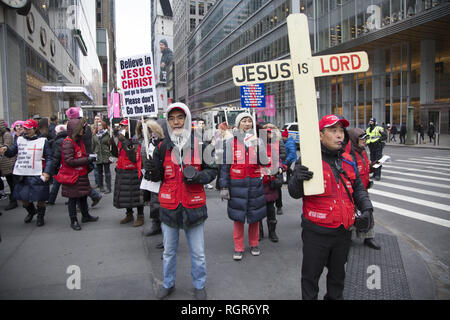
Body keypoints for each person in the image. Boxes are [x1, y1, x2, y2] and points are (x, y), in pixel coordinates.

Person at [288, 114, 373, 300]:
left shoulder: (348, 159)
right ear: (320, 135)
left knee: (337, 278)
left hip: (343, 232)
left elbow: (358, 188)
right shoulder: (309, 160)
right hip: (316, 233)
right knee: (310, 278)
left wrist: (367, 208)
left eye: (341, 131)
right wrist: (296, 178)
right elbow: (294, 192)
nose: (339, 135)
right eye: (333, 131)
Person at [145, 103, 217, 300]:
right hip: (169, 207)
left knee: (198, 253)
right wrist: (151, 169)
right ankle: (168, 283)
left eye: (180, 117)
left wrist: (198, 177)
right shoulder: (161, 146)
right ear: (167, 121)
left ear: (186, 119)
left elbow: (213, 171)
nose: (176, 122)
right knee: (168, 252)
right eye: (172, 118)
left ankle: (199, 285)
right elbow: (156, 178)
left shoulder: (200, 144)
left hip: (194, 206)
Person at [219, 112, 267, 261]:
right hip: (236, 185)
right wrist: (224, 186)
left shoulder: (258, 140)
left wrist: (260, 147)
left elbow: (265, 161)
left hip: (254, 184)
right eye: (244, 121)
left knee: (254, 217)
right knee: (238, 218)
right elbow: (225, 166)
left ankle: (254, 244)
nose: (247, 124)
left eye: (249, 121)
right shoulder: (230, 143)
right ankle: (238, 247)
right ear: (238, 124)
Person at [0, 119, 53, 227]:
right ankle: (31, 211)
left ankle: (40, 216)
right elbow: (11, 153)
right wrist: (5, 149)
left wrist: (47, 172)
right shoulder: (19, 140)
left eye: (29, 129)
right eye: (25, 128)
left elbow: (49, 158)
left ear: (35, 129)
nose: (26, 131)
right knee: (23, 198)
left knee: (40, 198)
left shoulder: (43, 141)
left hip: (38, 173)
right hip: (22, 174)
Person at [58, 117, 99, 230]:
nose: (83, 130)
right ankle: (73, 220)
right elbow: (69, 161)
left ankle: (85, 216)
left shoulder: (78, 140)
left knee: (83, 196)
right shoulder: (68, 143)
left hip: (80, 174)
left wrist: (88, 158)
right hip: (72, 175)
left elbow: (79, 156)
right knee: (73, 199)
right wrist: (87, 160)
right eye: (81, 128)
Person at [347, 128, 381, 250]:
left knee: (368, 212)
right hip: (352, 191)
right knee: (351, 214)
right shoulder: (349, 154)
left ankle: (369, 237)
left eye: (365, 138)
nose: (365, 140)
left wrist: (373, 166)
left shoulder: (362, 152)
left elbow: (365, 168)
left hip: (363, 189)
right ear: (354, 140)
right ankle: (348, 238)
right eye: (362, 138)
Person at [110, 119, 145, 227]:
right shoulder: (121, 139)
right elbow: (116, 154)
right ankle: (129, 214)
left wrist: (124, 141)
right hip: (122, 170)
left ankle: (140, 216)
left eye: (125, 127)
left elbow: (134, 156)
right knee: (125, 195)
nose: (123, 129)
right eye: (122, 126)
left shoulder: (136, 139)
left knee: (137, 196)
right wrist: (112, 142)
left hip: (134, 170)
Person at [66, 107, 102, 207]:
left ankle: (81, 203)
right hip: (84, 156)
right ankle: (92, 197)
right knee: (81, 181)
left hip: (81, 156)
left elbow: (78, 141)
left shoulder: (80, 127)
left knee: (79, 181)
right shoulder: (83, 125)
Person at [138, 119, 165, 239]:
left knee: (161, 204)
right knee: (154, 202)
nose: (151, 133)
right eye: (149, 130)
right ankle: (156, 225)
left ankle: (165, 231)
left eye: (152, 130)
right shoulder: (147, 142)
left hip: (162, 176)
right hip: (150, 176)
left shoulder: (163, 143)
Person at [261, 125, 283, 243]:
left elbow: (278, 160)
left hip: (270, 183)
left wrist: (279, 167)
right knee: (258, 210)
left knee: (271, 210)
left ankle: (272, 232)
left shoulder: (272, 147)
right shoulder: (255, 148)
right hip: (259, 183)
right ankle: (259, 231)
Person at [47, 124, 68, 205]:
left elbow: (57, 156)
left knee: (57, 183)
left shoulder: (58, 141)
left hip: (60, 166)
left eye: (56, 132)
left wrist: (54, 167)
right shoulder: (67, 139)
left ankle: (51, 199)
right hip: (66, 165)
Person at [0, 120, 18, 210]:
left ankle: (13, 201)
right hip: (3, 162)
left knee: (11, 183)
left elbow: (7, 147)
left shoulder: (6, 134)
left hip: (7, 162)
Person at [92, 120, 112, 194]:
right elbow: (93, 146)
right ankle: (101, 186)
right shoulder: (94, 135)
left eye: (100, 125)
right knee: (99, 172)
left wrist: (110, 155)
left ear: (104, 126)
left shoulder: (107, 134)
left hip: (106, 155)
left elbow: (111, 146)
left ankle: (109, 187)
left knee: (107, 172)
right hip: (98, 155)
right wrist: (94, 153)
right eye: (98, 125)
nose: (99, 126)